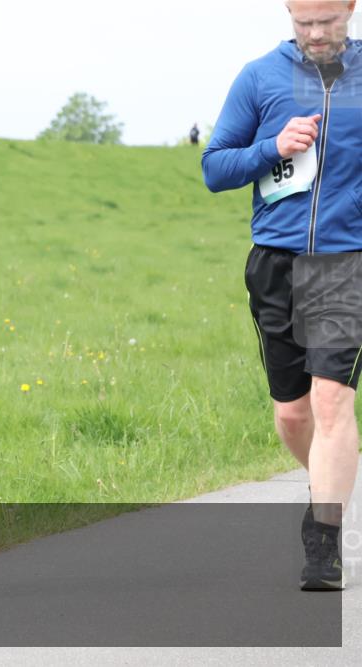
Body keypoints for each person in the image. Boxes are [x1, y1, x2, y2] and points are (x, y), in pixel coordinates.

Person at [202, 0, 360, 590]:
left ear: (351, 8)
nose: (315, 34)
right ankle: (330, 485)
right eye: (303, 23)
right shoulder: (259, 77)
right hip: (275, 262)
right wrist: (272, 147)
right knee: (293, 413)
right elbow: (215, 168)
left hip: (347, 263)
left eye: (326, 21)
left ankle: (323, 541)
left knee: (331, 402)